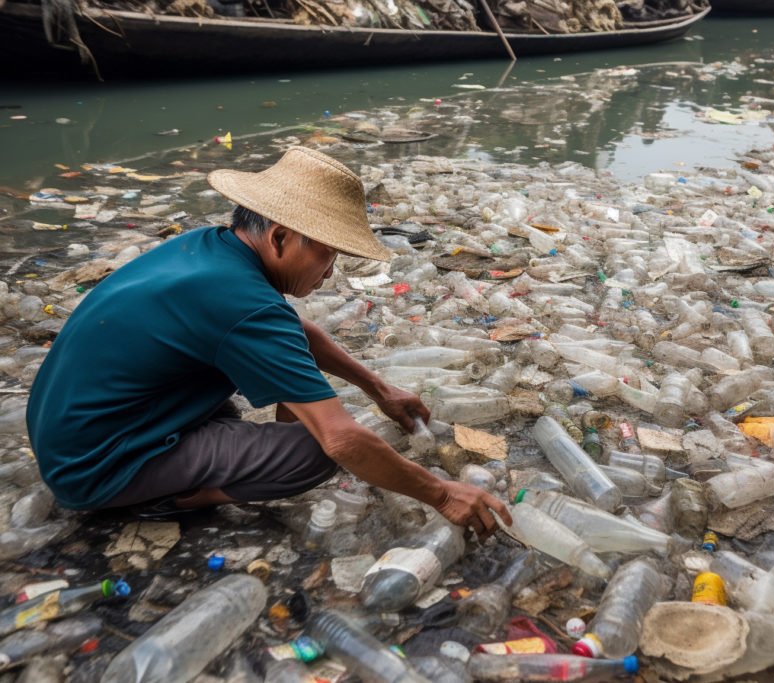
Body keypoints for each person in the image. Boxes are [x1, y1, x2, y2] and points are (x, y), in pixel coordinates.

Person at [26, 147, 511, 538]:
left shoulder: (211, 247)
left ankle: (171, 469)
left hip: (68, 430)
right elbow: (339, 438)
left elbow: (292, 331)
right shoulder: (244, 303)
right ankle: (174, 498)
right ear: (280, 238)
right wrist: (442, 494)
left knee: (264, 409)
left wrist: (378, 389)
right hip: (92, 464)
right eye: (327, 254)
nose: (332, 271)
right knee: (315, 453)